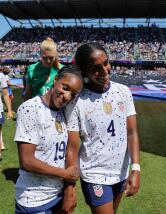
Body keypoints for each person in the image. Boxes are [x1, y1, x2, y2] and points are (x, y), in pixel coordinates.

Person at [63, 43, 141, 214]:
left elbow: (132, 132)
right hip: (94, 174)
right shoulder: (76, 102)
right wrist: (70, 186)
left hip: (121, 172)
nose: (105, 71)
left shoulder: (124, 92)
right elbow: (72, 147)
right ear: (84, 72)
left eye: (106, 63)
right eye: (96, 68)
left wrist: (135, 168)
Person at [14, 65, 83, 213]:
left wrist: (69, 189)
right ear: (55, 79)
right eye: (65, 87)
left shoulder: (65, 112)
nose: (67, 96)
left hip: (57, 195)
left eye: (73, 94)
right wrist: (65, 174)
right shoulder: (30, 109)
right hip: (34, 198)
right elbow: (27, 161)